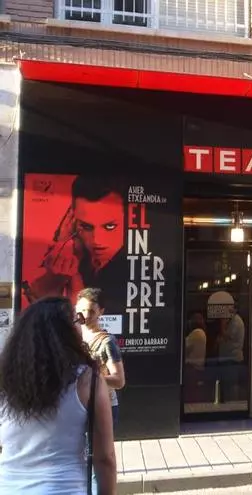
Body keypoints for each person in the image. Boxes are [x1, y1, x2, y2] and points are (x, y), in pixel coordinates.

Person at [0, 297, 117, 493]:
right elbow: (105, 458)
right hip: (64, 488)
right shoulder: (88, 380)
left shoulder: (6, 380)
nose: (81, 325)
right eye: (77, 320)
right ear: (66, 331)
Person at [24, 177, 127, 314]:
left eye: (110, 226)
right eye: (86, 226)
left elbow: (82, 317)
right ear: (72, 220)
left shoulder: (130, 265)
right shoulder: (77, 253)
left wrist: (72, 276)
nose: (97, 240)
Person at [76, 287, 126, 427]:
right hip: (78, 404)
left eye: (91, 311)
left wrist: (88, 378)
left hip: (101, 405)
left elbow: (119, 381)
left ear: (101, 312)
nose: (86, 315)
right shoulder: (74, 336)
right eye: (82, 310)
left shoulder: (106, 341)